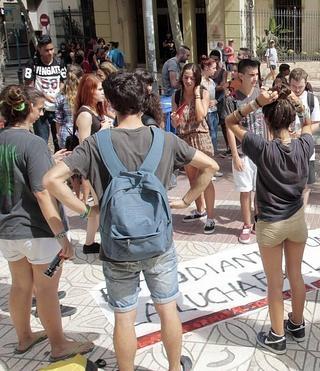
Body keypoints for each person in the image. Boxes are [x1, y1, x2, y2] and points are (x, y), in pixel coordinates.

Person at [45, 72, 216, 371]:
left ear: (111, 105)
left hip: (117, 246)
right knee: (167, 309)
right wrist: (188, 199)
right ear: (143, 102)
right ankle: (175, 366)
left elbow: (51, 180)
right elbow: (211, 166)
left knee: (124, 316)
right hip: (159, 244)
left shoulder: (97, 143)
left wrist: (85, 212)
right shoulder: (165, 140)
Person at [0, 85, 95, 362]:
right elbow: (42, 192)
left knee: (20, 286)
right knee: (46, 289)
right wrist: (62, 234)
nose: (42, 113)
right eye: (40, 109)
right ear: (28, 109)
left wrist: (47, 162)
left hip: (8, 229)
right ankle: (58, 344)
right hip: (37, 230)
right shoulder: (34, 143)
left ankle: (24, 337)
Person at [224, 84, 313, 354]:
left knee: (275, 282)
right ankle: (297, 324)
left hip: (271, 224)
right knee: (296, 275)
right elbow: (309, 122)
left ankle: (277, 335)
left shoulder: (261, 148)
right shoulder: (304, 143)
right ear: (291, 120)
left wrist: (256, 103)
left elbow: (229, 121)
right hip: (297, 220)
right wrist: (297, 103)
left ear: (265, 121)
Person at [223, 59, 267, 244]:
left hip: (262, 151)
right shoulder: (231, 99)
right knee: (245, 191)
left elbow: (268, 123)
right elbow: (229, 129)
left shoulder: (262, 96)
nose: (255, 78)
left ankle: (258, 221)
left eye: (257, 74)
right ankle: (246, 225)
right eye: (251, 75)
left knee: (260, 191)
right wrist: (235, 155)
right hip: (243, 153)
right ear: (241, 76)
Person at [171, 63, 217, 234]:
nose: (188, 81)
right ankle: (200, 210)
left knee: (205, 179)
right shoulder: (176, 96)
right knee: (192, 180)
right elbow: (176, 123)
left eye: (192, 78)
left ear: (197, 79)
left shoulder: (204, 92)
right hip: (184, 138)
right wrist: (175, 119)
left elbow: (200, 116)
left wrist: (196, 95)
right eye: (185, 77)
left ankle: (211, 218)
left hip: (200, 137)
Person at [75, 74, 113, 254]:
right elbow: (84, 145)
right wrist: (104, 130)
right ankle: (104, 243)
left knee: (98, 208)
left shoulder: (95, 111)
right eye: (99, 89)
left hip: (101, 164)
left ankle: (89, 243)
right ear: (89, 91)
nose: (102, 92)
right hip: (94, 168)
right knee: (103, 206)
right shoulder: (85, 114)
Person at [24, 34, 67, 152]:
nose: (50, 53)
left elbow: (63, 82)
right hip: (40, 108)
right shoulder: (32, 64)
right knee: (41, 139)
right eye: (46, 50)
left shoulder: (59, 62)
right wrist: (44, 96)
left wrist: (59, 95)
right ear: (39, 50)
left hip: (57, 107)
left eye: (52, 49)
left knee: (59, 140)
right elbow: (29, 86)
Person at [289, 68, 320, 207]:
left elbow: (316, 124)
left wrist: (302, 132)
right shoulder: (282, 98)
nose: (297, 90)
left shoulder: (311, 99)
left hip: (305, 149)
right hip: (286, 147)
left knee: (306, 185)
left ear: (306, 83)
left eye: (300, 87)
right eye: (293, 86)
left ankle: (301, 216)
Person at [200, 56, 223, 171]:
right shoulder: (200, 82)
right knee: (209, 138)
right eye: (213, 68)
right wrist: (208, 102)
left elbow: (215, 96)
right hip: (206, 113)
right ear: (206, 67)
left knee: (213, 138)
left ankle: (212, 166)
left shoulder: (211, 82)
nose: (215, 70)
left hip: (214, 112)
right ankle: (208, 167)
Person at [55, 64, 83, 150]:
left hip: (66, 134)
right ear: (81, 77)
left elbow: (58, 119)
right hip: (82, 132)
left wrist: (58, 134)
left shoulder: (60, 95)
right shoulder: (83, 94)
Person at [210, 50, 230, 155]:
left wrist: (210, 86)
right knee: (211, 126)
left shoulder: (223, 72)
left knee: (223, 124)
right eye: (212, 59)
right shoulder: (208, 70)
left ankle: (228, 146)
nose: (214, 62)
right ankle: (213, 148)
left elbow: (222, 86)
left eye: (216, 60)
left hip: (220, 100)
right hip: (209, 102)